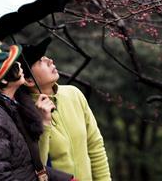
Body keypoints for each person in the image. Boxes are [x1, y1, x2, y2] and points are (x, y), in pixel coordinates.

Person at [0, 40, 75, 181]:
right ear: (3, 80)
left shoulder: (10, 107)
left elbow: (26, 168)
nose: (20, 65)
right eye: (14, 64)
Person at [21, 40, 111, 181]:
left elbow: (95, 146)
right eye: (40, 60)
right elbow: (36, 168)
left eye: (45, 57)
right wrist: (43, 123)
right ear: (28, 80)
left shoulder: (74, 94)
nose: (49, 60)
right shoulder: (23, 113)